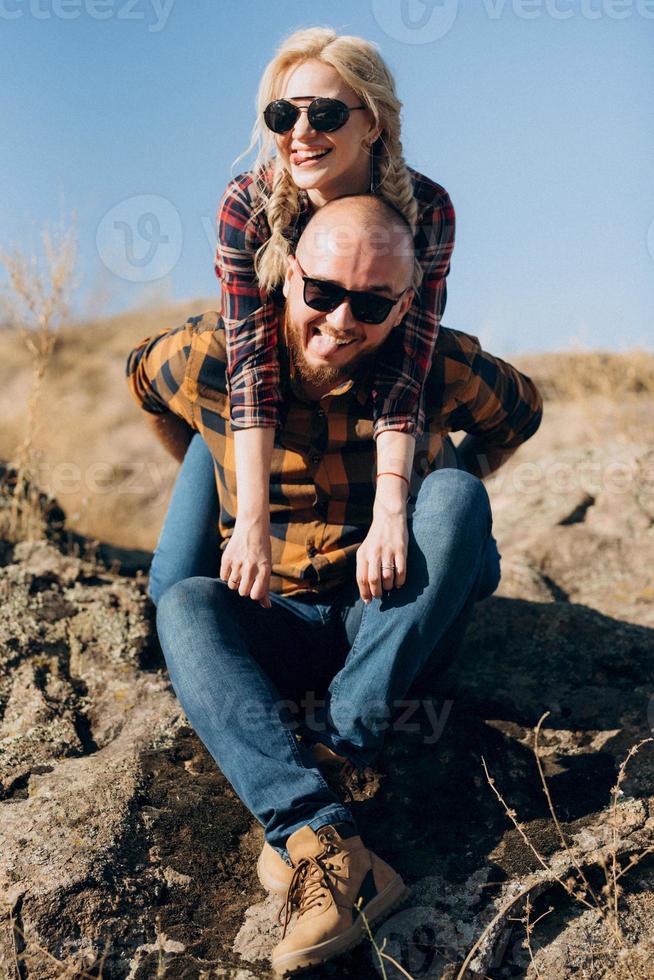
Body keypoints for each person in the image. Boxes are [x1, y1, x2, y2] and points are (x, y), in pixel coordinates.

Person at [126, 195, 542, 975]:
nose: (344, 319)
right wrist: (207, 461)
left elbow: (520, 413)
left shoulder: (435, 365)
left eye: (373, 302)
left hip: (386, 624)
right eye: (322, 292)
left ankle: (342, 748)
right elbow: (143, 383)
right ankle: (325, 838)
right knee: (182, 603)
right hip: (272, 615)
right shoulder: (212, 355)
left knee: (457, 500)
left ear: (403, 305)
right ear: (286, 275)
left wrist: (439, 471)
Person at [204, 27, 458, 612]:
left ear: (373, 122)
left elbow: (406, 364)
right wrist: (252, 521)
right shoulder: (246, 204)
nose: (300, 134)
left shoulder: (429, 212)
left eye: (324, 114)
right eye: (282, 115)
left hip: (363, 390)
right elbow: (250, 367)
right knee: (176, 586)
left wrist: (390, 509)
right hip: (257, 404)